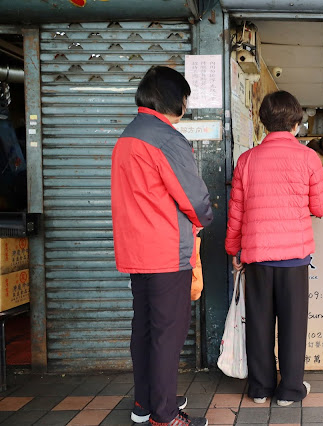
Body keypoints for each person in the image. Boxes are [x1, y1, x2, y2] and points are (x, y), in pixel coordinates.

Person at [111, 66, 213, 426]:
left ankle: (146, 403)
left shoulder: (128, 136)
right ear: (175, 101)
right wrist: (205, 218)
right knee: (168, 336)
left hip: (136, 252)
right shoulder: (167, 138)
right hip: (166, 251)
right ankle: (166, 415)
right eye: (184, 98)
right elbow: (194, 198)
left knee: (144, 329)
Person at [225, 91, 323, 407]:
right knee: (293, 326)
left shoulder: (247, 160)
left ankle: (260, 388)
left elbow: (237, 211)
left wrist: (234, 250)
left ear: (263, 123)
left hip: (256, 256)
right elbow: (322, 207)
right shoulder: (309, 158)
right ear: (296, 124)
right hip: (294, 258)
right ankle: (289, 391)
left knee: (258, 323)